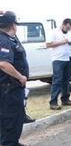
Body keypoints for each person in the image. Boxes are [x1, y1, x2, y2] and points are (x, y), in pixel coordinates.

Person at [0, 11, 28, 146]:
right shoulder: (3, 39)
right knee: (10, 120)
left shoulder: (9, 38)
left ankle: (13, 142)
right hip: (8, 89)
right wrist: (20, 77)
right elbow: (3, 64)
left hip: (13, 88)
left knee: (16, 118)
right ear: (12, 25)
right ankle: (9, 143)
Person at [46, 18, 71, 110]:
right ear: (63, 24)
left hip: (68, 58)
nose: (68, 29)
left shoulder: (70, 34)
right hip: (58, 59)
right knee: (57, 80)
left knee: (66, 80)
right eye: (67, 27)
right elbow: (48, 44)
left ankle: (65, 99)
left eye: (69, 28)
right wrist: (63, 42)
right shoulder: (54, 32)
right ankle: (53, 102)